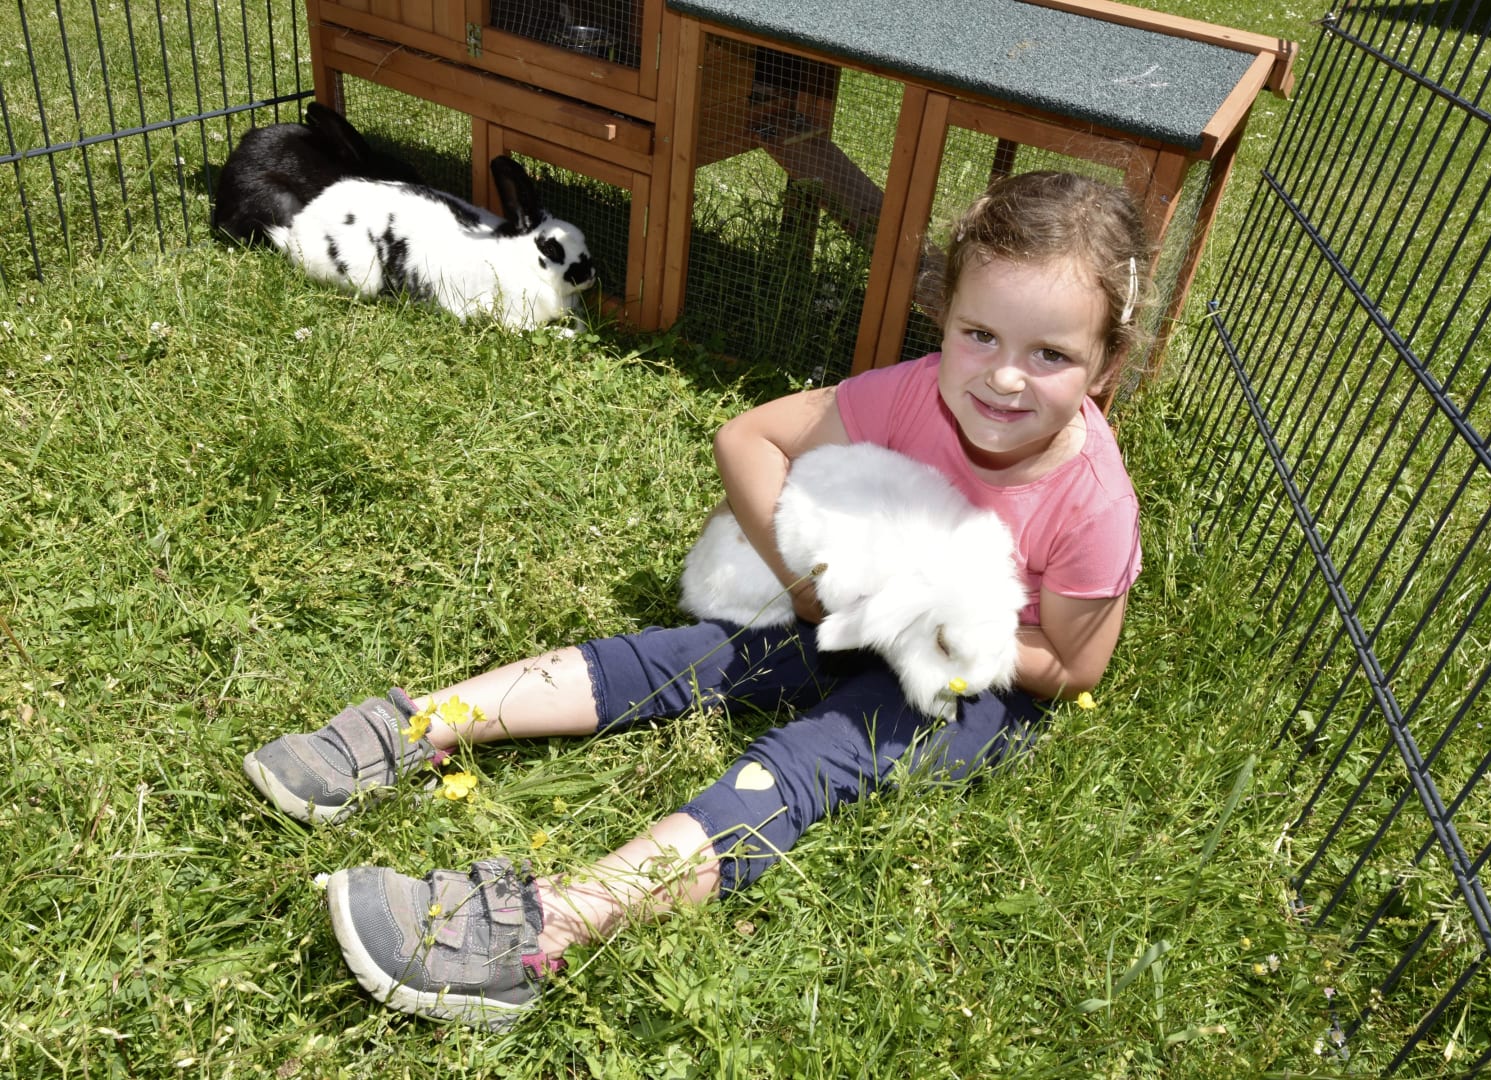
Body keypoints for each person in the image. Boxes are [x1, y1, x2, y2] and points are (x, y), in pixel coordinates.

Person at [242, 169, 1150, 1028]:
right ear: (942, 317)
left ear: (1105, 368)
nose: (1003, 377)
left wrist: (933, 619)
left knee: (814, 753)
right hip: (863, 600)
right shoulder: (910, 394)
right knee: (700, 655)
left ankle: (548, 927)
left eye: (1050, 354)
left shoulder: (1093, 506)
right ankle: (417, 724)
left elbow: (1069, 668)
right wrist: (806, 582)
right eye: (979, 335)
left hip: (973, 677)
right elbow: (748, 439)